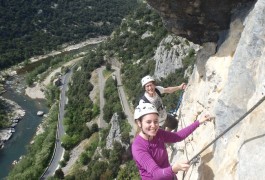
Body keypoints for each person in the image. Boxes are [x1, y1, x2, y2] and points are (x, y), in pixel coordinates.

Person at [131, 103, 211, 180]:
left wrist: (198, 122)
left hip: (170, 177)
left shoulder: (158, 133)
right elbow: (156, 174)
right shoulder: (138, 147)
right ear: (139, 123)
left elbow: (178, 136)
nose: (153, 125)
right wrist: (173, 169)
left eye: (156, 121)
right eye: (148, 122)